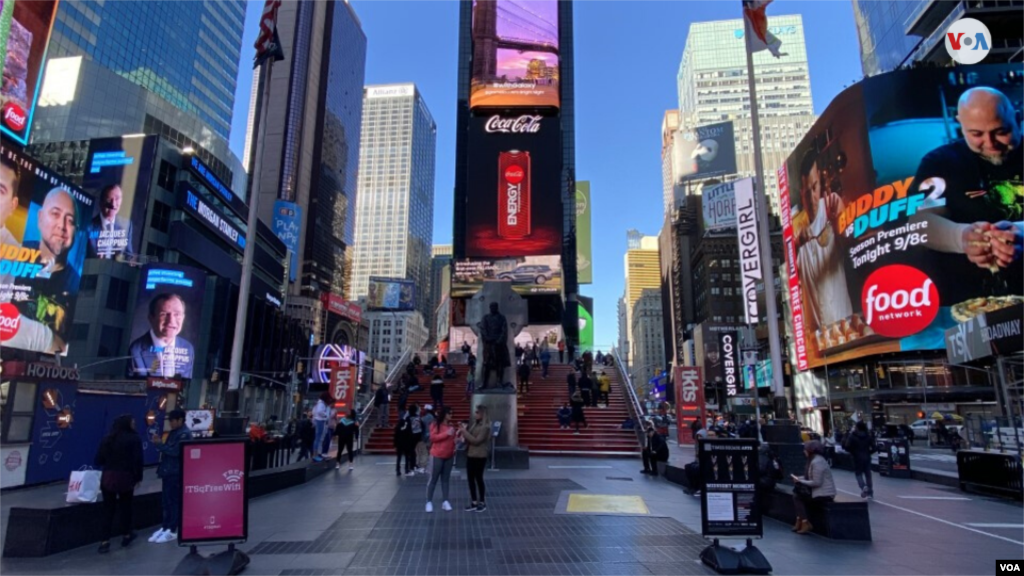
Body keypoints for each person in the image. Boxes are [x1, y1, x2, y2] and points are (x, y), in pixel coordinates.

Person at [911, 87, 1024, 297]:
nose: (990, 144)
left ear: (1017, 119)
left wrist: (1021, 233)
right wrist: (961, 237)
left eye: (1001, 131)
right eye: (977, 134)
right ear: (961, 127)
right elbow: (920, 222)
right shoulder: (939, 162)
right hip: (969, 298)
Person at [794, 150, 854, 334]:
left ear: (820, 182)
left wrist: (838, 226)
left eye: (814, 187)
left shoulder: (832, 204)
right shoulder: (794, 226)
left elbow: (851, 247)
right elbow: (788, 280)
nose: (811, 197)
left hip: (843, 321)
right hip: (815, 332)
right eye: (806, 192)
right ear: (800, 192)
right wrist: (796, 245)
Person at [94, 414, 143, 553]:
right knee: (126, 507)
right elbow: (138, 460)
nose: (135, 424)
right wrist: (138, 477)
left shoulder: (107, 439)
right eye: (133, 422)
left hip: (108, 477)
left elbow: (98, 459)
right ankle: (126, 535)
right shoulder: (134, 439)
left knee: (108, 509)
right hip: (126, 477)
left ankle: (104, 541)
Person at [128, 294, 195, 378]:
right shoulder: (136, 349)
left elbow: (185, 385)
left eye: (177, 314)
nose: (171, 321)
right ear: (151, 318)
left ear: (183, 317)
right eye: (164, 314)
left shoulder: (188, 348)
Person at [150, 409, 192, 543]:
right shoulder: (174, 433)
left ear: (180, 420)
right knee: (166, 501)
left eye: (173, 421)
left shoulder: (184, 434)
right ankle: (166, 527)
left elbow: (175, 452)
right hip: (168, 471)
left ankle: (172, 528)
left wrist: (159, 445)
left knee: (173, 500)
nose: (171, 424)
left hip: (175, 472)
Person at [791, 440, 837, 535]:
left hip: (824, 494)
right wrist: (799, 478)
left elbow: (817, 482)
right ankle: (801, 520)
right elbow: (811, 476)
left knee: (797, 496)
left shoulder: (817, 462)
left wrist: (800, 481)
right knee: (797, 494)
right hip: (818, 491)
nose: (804, 452)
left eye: (805, 450)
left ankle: (803, 522)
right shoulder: (814, 460)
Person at [87, 184, 134, 259]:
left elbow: (129, 255)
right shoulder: (88, 226)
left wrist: (131, 261)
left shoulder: (126, 225)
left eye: (117, 199)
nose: (113, 204)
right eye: (109, 199)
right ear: (101, 203)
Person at [426, 407, 457, 513]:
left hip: (449, 455)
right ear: (444, 414)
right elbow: (433, 438)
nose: (451, 415)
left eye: (452, 413)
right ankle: (429, 501)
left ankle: (445, 501)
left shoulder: (451, 426)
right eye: (449, 413)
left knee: (445, 479)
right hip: (437, 455)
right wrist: (446, 434)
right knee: (433, 479)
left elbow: (452, 440)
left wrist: (456, 442)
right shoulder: (436, 424)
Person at [461, 405, 491, 512]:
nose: (475, 414)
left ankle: (482, 501)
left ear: (483, 413)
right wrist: (465, 432)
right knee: (470, 479)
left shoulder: (486, 427)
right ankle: (474, 501)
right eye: (475, 412)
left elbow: (477, 441)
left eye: (477, 412)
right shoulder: (474, 424)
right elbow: (470, 438)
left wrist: (464, 432)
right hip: (470, 454)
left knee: (478, 478)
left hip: (480, 455)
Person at [843, 421, 875, 499]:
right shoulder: (868, 436)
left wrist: (852, 451)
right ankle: (870, 491)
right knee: (868, 474)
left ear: (857, 427)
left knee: (858, 473)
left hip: (856, 457)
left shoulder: (852, 436)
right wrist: (869, 452)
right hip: (867, 457)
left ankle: (863, 487)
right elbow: (874, 447)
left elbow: (847, 447)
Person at [393, 406, 415, 476]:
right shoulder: (408, 424)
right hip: (406, 443)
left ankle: (398, 469)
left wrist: (395, 444)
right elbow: (410, 434)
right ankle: (406, 469)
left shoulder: (398, 425)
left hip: (399, 443)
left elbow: (395, 435)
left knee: (399, 457)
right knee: (406, 456)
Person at [310, 393, 332, 461]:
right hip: (320, 420)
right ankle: (315, 455)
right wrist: (325, 415)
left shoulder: (319, 403)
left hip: (319, 420)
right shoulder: (321, 404)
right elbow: (319, 411)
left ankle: (317, 454)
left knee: (319, 438)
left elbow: (315, 412)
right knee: (318, 438)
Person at [419, 404, 435, 472]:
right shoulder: (432, 416)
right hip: (429, 434)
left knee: (426, 451)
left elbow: (422, 422)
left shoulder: (428, 417)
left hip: (427, 435)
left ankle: (426, 465)